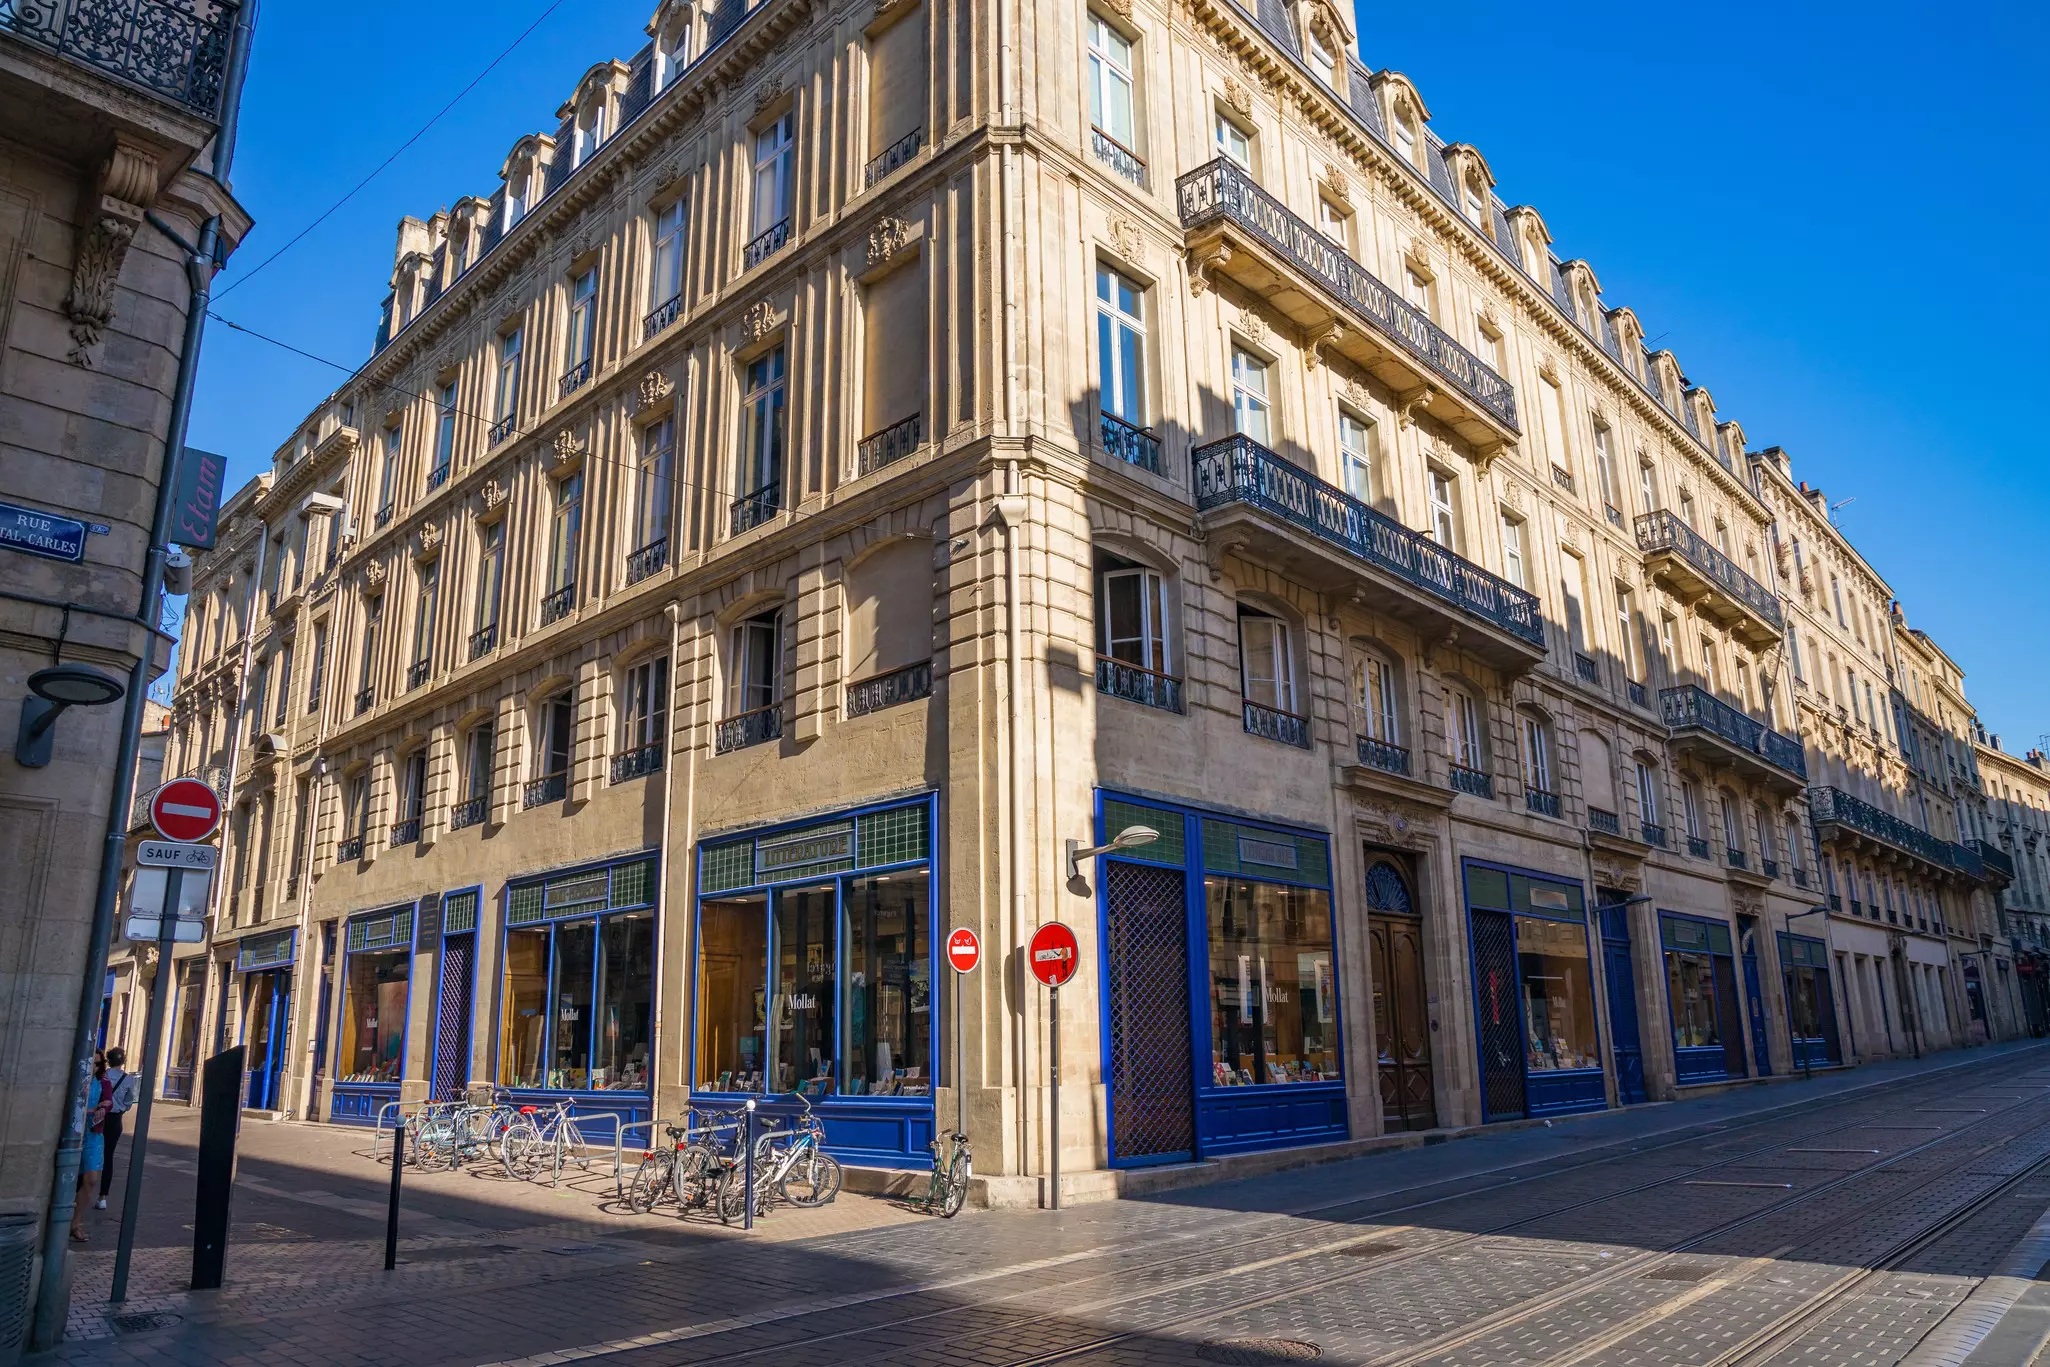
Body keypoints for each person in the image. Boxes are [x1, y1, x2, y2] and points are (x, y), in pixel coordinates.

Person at [69, 1061, 109, 1242]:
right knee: (69, 1178)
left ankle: (76, 1223)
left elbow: (109, 1102)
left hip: (93, 1134)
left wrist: (103, 1108)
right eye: (92, 1062)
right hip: (74, 1132)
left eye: (98, 1063)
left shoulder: (103, 1082)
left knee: (91, 1179)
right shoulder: (77, 1080)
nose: (94, 1066)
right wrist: (94, 1108)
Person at [98, 1046, 137, 1209]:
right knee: (108, 1156)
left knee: (90, 1151)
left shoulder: (102, 1075)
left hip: (99, 1116)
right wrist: (122, 1107)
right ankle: (102, 1197)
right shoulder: (128, 1079)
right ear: (123, 1061)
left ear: (108, 1059)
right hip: (115, 1119)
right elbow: (129, 1100)